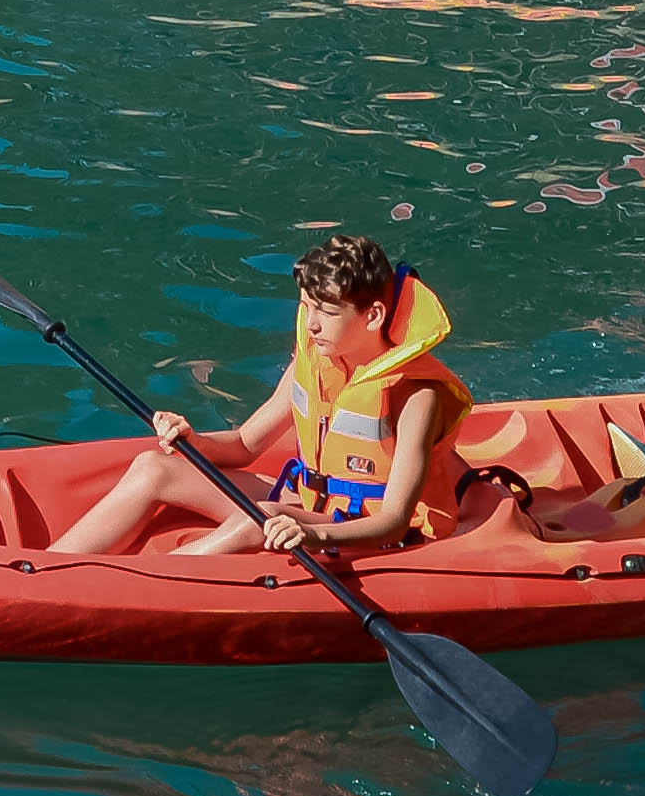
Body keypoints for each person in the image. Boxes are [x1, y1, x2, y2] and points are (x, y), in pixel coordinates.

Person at [45, 235, 472, 564]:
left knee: (261, 518)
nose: (312, 325)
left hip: (381, 534)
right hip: (313, 503)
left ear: (373, 315)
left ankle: (136, 584)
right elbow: (247, 444)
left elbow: (394, 519)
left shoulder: (418, 395)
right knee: (154, 468)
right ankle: (45, 569)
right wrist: (192, 440)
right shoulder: (318, 360)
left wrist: (311, 535)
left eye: (326, 311)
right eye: (307, 307)